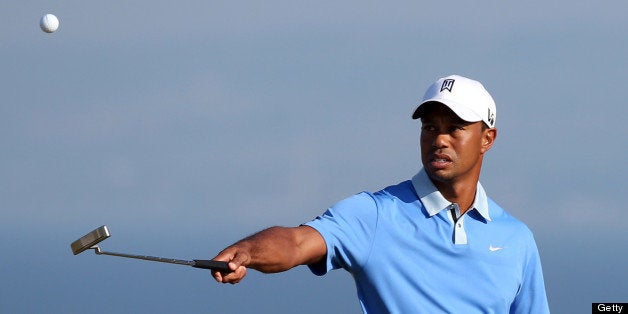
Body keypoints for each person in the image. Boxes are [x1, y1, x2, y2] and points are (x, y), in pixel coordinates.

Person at [211, 75, 550, 313]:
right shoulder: (374, 215)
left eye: (455, 128)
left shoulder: (516, 239)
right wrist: (248, 252)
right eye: (430, 127)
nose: (439, 139)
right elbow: (297, 242)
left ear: (487, 139)